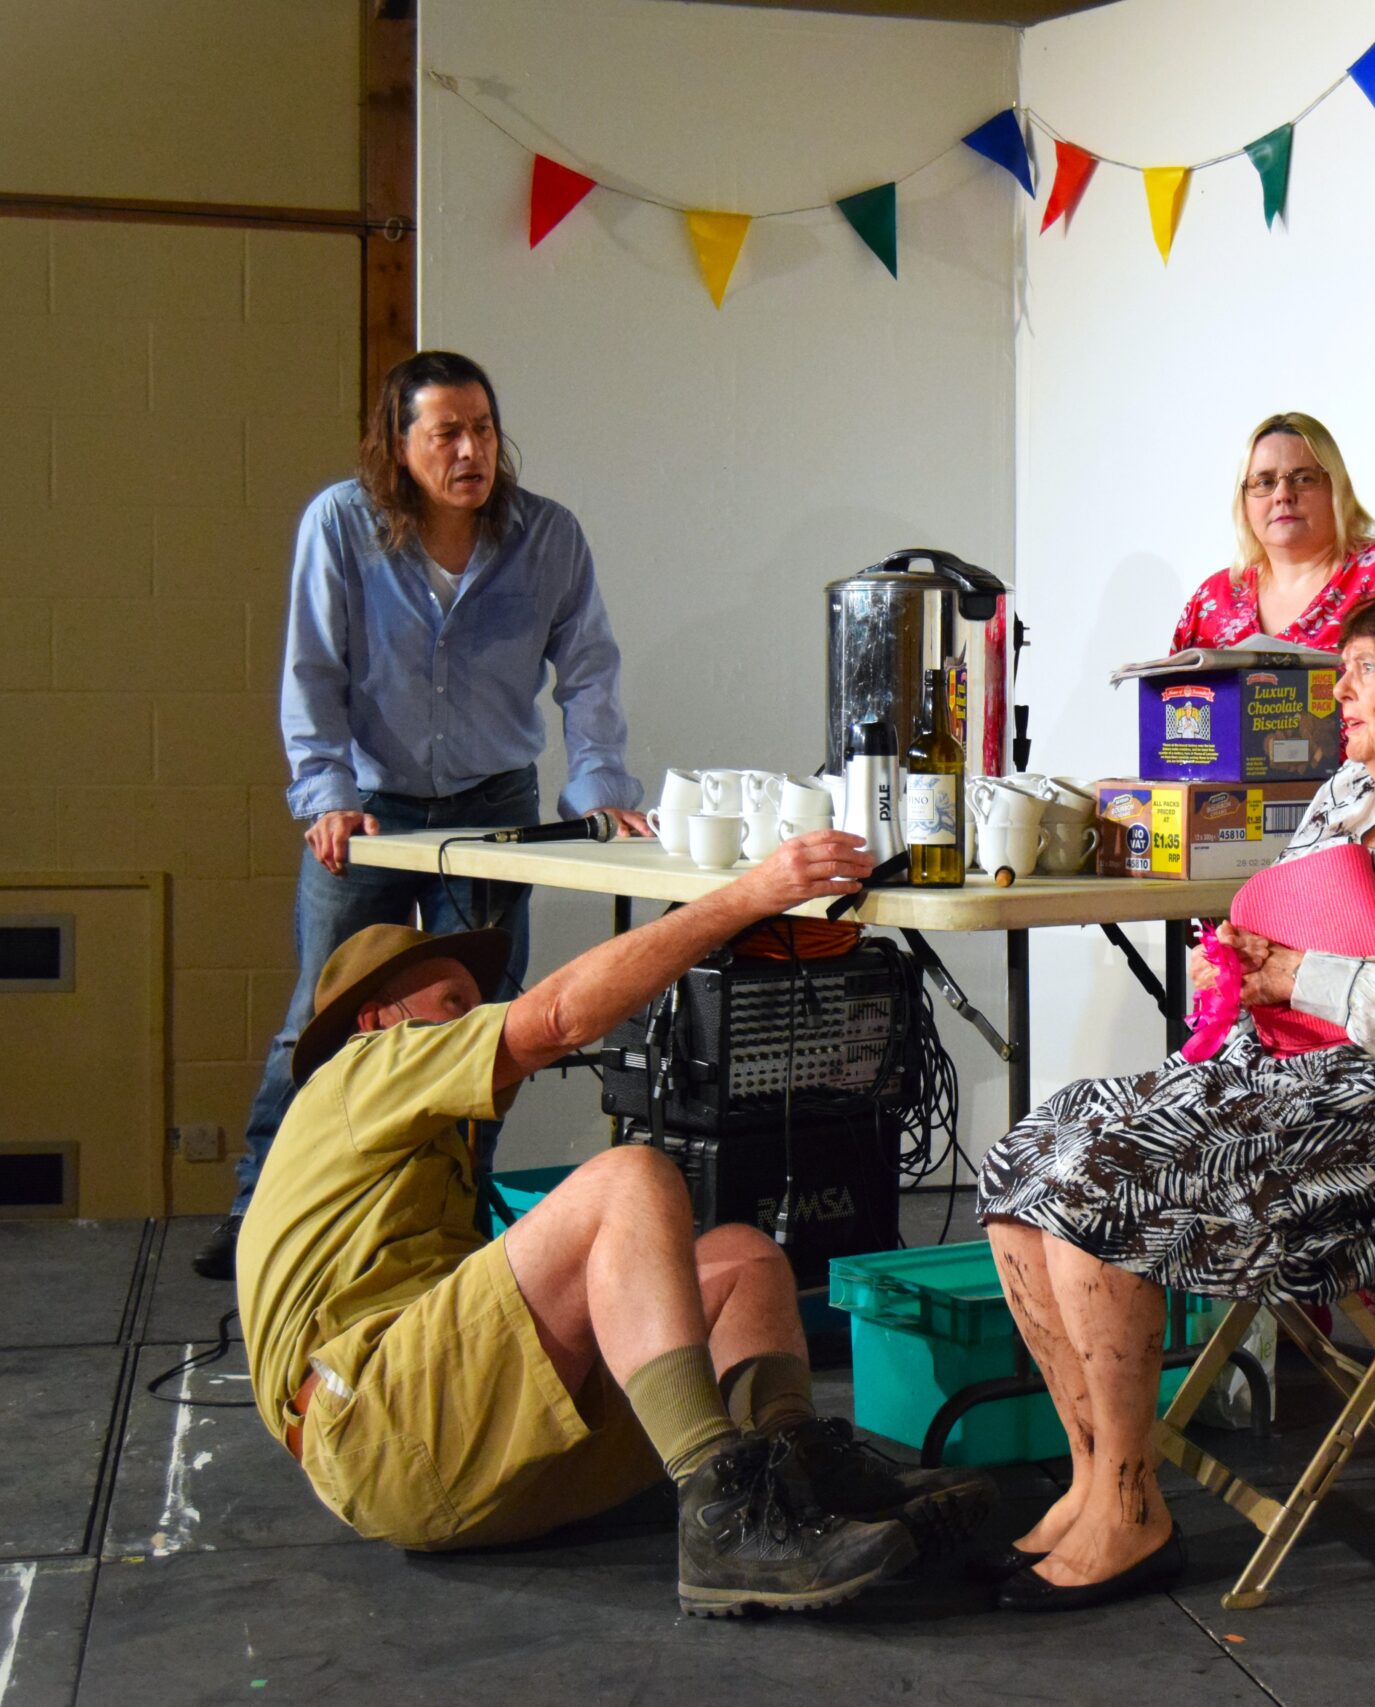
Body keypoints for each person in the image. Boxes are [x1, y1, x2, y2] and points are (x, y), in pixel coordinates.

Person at [976, 579, 1375, 1611]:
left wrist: (1304, 978)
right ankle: (1094, 1475)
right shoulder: (1350, 794)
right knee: (1032, 1148)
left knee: (1103, 1185)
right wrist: (1246, 965)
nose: (1338, 692)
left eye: (1365, 669)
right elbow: (1287, 932)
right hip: (1287, 1074)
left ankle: (1129, 1506)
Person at [235, 828, 994, 1613]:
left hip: (483, 1464)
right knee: (630, 1176)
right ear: (376, 1021)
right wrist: (747, 896)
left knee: (743, 1258)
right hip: (377, 1436)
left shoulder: (415, 1139)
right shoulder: (356, 1072)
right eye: (453, 1004)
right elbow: (555, 1018)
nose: (478, 1017)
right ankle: (721, 1517)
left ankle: (799, 1474)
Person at [195, 350, 651, 1282]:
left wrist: (599, 787)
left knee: (482, 1021)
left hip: (493, 805)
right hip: (372, 808)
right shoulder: (341, 523)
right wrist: (326, 793)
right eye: (446, 434)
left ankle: (456, 1209)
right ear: (398, 446)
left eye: (482, 429)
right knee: (319, 1013)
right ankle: (261, 1210)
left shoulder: (546, 535)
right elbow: (312, 670)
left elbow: (590, 670)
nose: (470, 451)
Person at [1170, 411, 1375, 653]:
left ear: (1337, 488)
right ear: (1244, 501)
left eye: (1303, 478)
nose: (1283, 495)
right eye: (1264, 482)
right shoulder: (1211, 600)